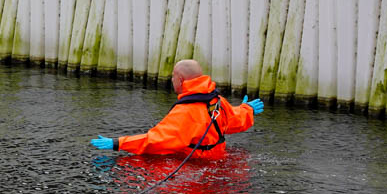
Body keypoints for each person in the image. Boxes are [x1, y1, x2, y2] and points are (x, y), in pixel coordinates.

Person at [89, 59, 263, 161]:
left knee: (133, 168)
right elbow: (233, 120)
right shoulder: (217, 100)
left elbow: (157, 141)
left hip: (195, 163)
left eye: (173, 76)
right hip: (219, 156)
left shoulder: (185, 112)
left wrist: (118, 143)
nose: (172, 80)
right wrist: (247, 109)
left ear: (180, 79)